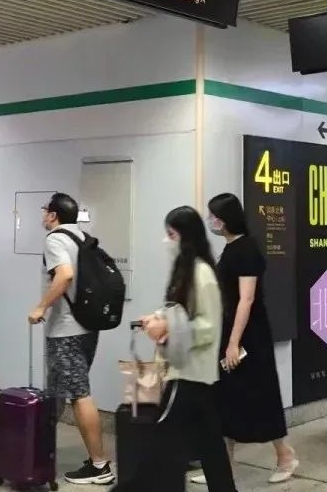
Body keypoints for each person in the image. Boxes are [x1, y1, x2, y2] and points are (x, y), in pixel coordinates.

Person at [113, 206, 236, 492]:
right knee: (209, 444)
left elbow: (208, 326)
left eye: (171, 235)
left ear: (186, 236)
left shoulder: (202, 274)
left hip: (190, 371)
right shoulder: (187, 270)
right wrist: (158, 317)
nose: (166, 241)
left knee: (162, 439)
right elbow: (180, 309)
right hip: (190, 372)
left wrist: (166, 329)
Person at [195, 193, 295, 486]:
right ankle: (222, 465)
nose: (211, 221)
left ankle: (285, 455)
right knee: (224, 398)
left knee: (261, 395)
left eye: (214, 216)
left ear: (225, 219)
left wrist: (234, 343)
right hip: (230, 331)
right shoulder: (230, 248)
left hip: (250, 335)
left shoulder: (247, 250)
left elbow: (246, 299)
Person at [27, 193, 112, 485]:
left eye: (45, 210)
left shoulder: (55, 239)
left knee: (79, 394)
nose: (43, 215)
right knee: (56, 392)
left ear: (53, 215)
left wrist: (41, 307)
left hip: (67, 331)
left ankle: (100, 466)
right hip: (87, 329)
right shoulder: (82, 237)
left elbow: (64, 276)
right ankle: (40, 451)